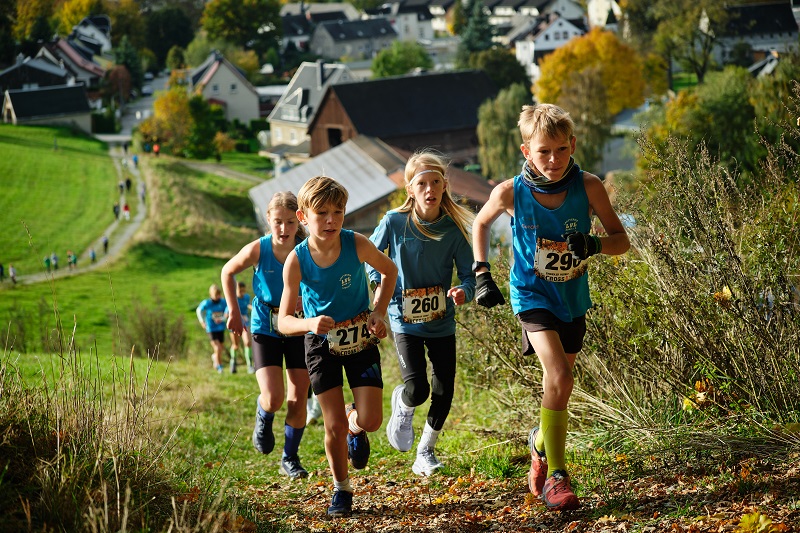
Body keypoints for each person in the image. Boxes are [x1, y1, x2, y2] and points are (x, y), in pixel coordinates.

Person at [472, 104, 630, 511]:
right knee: (558, 374)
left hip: (572, 299)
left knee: (559, 388)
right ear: (527, 151)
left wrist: (593, 244)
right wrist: (481, 272)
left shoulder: (590, 186)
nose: (554, 160)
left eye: (561, 150)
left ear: (572, 145)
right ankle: (557, 477)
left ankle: (539, 443)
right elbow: (481, 223)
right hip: (531, 295)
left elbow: (621, 240)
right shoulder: (510, 191)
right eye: (544, 152)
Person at [277, 176, 398, 517]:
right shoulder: (297, 260)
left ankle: (355, 424)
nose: (331, 220)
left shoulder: (355, 244)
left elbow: (390, 271)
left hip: (360, 337)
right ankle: (341, 490)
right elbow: (283, 321)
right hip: (320, 344)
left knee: (371, 419)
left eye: (338, 212)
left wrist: (378, 312)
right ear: (303, 217)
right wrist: (308, 323)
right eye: (322, 213)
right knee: (332, 427)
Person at [369, 149, 476, 476]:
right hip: (405, 321)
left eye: (436, 182)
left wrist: (463, 291)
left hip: (442, 322)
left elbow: (469, 275)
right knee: (418, 389)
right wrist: (378, 288)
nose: (430, 189)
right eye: (422, 183)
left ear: (444, 186)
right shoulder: (394, 222)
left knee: (444, 390)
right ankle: (403, 404)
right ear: (410, 189)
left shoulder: (453, 230)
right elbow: (371, 258)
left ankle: (425, 451)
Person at [221, 192, 312, 479]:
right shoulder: (258, 250)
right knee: (273, 397)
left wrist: (307, 300)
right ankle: (264, 416)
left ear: (298, 221)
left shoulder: (309, 249)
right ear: (268, 221)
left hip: (298, 327)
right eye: (277, 223)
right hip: (265, 326)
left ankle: (290, 457)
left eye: (289, 222)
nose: (283, 229)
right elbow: (228, 272)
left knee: (298, 397)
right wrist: (234, 311)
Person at [196, 284, 228, 373]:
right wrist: (202, 321)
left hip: (220, 327)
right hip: (211, 328)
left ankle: (215, 357)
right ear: (211, 295)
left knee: (220, 348)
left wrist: (225, 316)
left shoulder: (223, 302)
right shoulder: (207, 303)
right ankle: (219, 367)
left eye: (219, 294)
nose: (217, 297)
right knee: (217, 348)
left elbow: (229, 306)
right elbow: (199, 310)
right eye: (215, 295)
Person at [226, 281, 254, 374]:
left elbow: (248, 304)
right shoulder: (233, 299)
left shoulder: (246, 297)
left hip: (245, 324)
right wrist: (238, 316)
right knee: (236, 345)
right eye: (240, 291)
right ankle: (233, 363)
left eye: (243, 290)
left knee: (248, 342)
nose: (242, 293)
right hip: (235, 323)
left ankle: (249, 365)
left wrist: (254, 308)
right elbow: (227, 313)